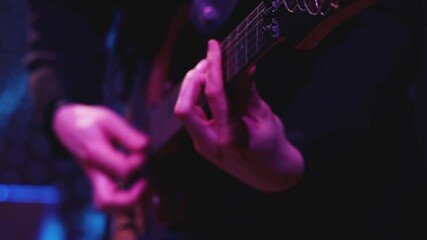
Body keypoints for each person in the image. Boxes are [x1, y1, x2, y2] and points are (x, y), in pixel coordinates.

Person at [25, 0, 427, 240]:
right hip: (158, 174)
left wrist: (300, 151)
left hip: (338, 200)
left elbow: (391, 21)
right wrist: (64, 103)